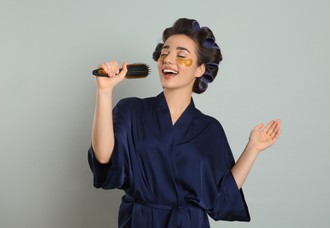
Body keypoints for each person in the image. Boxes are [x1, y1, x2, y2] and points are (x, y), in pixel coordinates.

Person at [88, 18, 281, 228]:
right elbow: (104, 159)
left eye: (181, 55)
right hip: (140, 221)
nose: (168, 59)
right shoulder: (131, 111)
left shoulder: (209, 129)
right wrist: (104, 92)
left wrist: (252, 148)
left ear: (200, 69)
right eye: (164, 53)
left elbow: (222, 195)